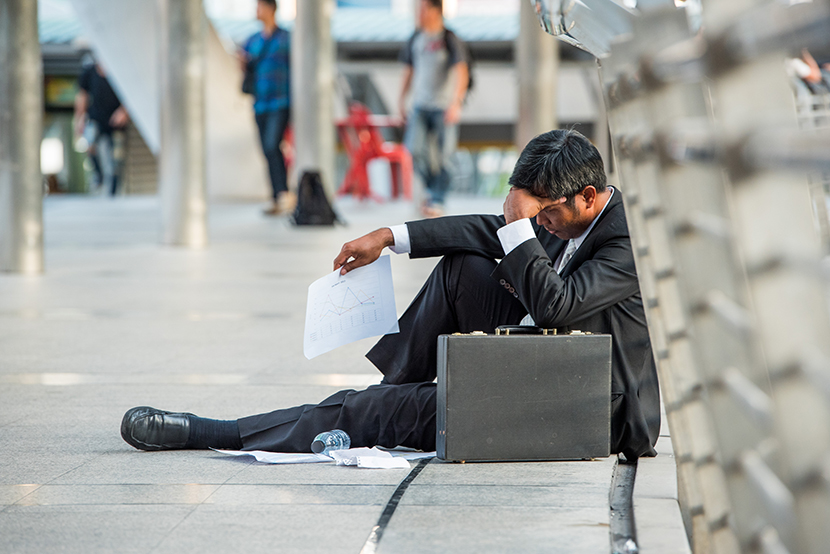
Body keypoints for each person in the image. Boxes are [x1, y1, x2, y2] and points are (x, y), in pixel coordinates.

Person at [120, 129, 661, 461]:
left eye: (545, 214)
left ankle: (218, 433)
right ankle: (394, 390)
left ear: (588, 196)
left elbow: (555, 306)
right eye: (532, 214)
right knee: (463, 267)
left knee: (375, 412)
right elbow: (486, 231)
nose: (539, 224)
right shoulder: (571, 215)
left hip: (588, 408)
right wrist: (388, 237)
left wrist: (520, 225)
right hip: (554, 361)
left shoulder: (629, 240)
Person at [399, 0, 469, 218]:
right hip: (420, 105)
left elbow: (461, 71)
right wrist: (401, 100)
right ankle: (432, 190)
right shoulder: (415, 38)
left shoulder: (449, 39)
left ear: (435, 10)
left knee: (444, 156)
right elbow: (409, 70)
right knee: (414, 150)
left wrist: (456, 103)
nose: (419, 13)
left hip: (443, 106)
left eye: (423, 8)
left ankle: (437, 199)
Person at [240, 0, 293, 216]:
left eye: (259, 6)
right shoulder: (252, 40)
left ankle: (283, 193)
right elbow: (244, 63)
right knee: (266, 149)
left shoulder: (286, 38)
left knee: (272, 145)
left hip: (281, 101)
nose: (256, 10)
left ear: (271, 9)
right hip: (260, 103)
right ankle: (276, 196)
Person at [74, 61, 129, 196]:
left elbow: (132, 92)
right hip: (95, 119)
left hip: (115, 122)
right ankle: (98, 175)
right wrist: (79, 119)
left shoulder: (120, 69)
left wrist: (124, 111)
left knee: (116, 158)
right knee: (89, 144)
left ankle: (113, 191)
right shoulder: (89, 72)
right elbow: (82, 96)